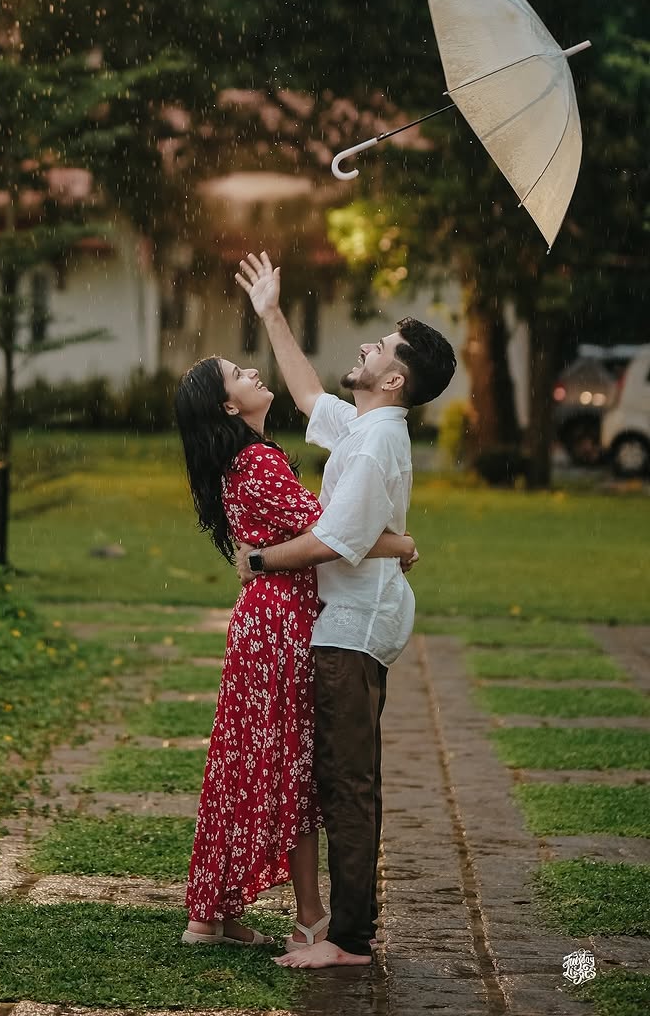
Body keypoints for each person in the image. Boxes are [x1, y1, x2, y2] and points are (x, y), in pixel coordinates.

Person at [233, 251, 457, 970]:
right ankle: (346, 929)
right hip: (352, 623)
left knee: (346, 782)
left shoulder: (377, 442)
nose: (366, 345)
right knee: (345, 777)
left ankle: (349, 940)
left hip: (352, 630)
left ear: (394, 379)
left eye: (381, 346)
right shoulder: (364, 426)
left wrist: (260, 560)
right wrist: (270, 312)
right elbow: (304, 396)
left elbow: (334, 541)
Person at [174, 355, 417, 950]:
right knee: (294, 767)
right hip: (282, 620)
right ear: (229, 406)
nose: (253, 373)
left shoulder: (247, 458)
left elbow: (326, 529)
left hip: (265, 616)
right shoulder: (257, 461)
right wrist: (402, 543)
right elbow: (336, 533)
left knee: (246, 762)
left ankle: (213, 914)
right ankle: (309, 920)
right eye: (237, 374)